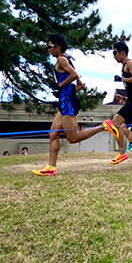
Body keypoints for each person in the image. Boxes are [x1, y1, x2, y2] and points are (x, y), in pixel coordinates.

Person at [32, 34, 120, 176]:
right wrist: (62, 91)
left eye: (50, 46)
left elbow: (74, 75)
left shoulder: (62, 59)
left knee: (73, 138)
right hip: (65, 101)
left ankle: (104, 126)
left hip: (68, 103)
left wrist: (60, 85)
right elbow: (80, 85)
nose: (48, 50)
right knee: (53, 133)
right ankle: (51, 167)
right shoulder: (64, 60)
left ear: (58, 47)